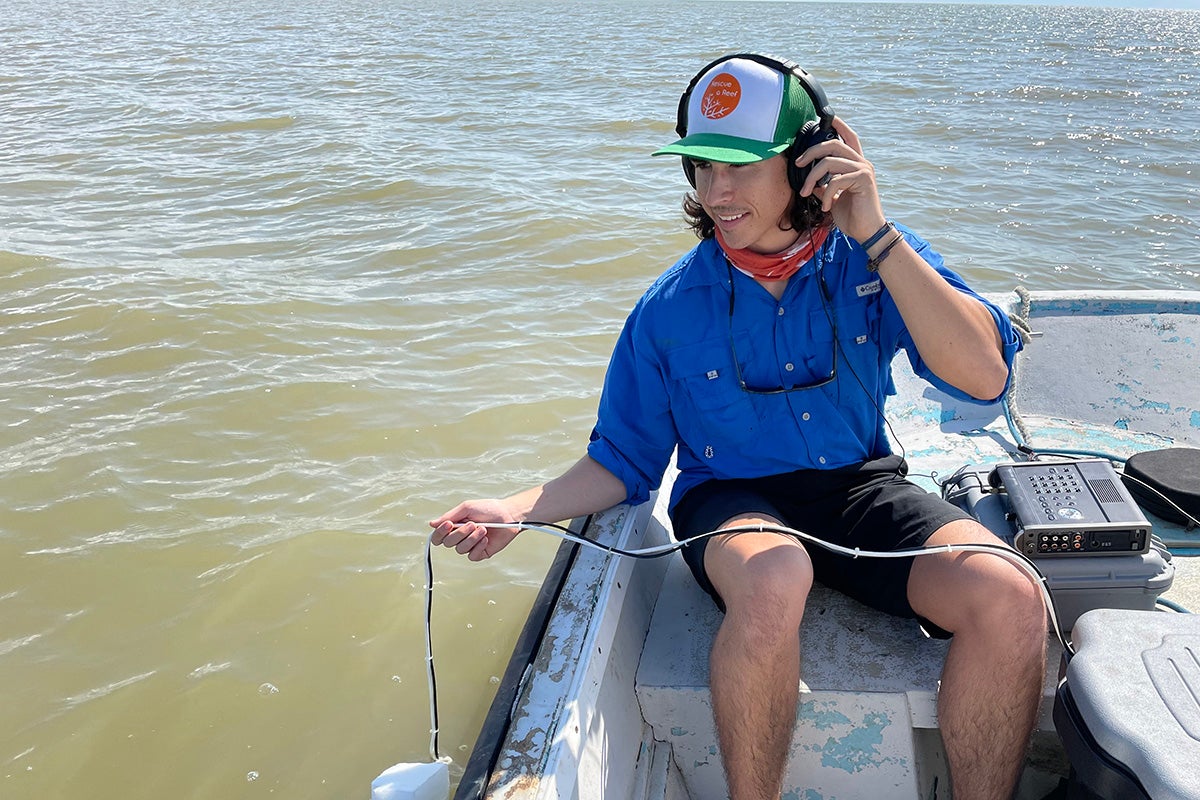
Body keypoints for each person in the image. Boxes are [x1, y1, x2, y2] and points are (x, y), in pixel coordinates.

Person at [430, 53, 1047, 800]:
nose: (716, 191)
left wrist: (877, 233)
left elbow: (983, 377)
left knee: (1011, 592)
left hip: (857, 487)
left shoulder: (875, 257)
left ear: (809, 162)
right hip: (728, 498)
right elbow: (624, 462)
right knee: (777, 572)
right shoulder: (667, 309)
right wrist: (514, 510)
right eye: (700, 165)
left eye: (743, 166)